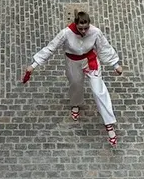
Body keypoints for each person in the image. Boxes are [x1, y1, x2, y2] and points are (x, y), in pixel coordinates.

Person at [23, 11, 123, 146]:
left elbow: (104, 47)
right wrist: (34, 65)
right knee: (75, 85)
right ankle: (75, 103)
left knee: (98, 90)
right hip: (73, 62)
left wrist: (115, 64)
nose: (83, 31)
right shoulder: (65, 33)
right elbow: (50, 48)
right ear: (75, 24)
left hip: (90, 61)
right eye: (80, 28)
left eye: (86, 28)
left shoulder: (95, 32)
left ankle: (109, 124)